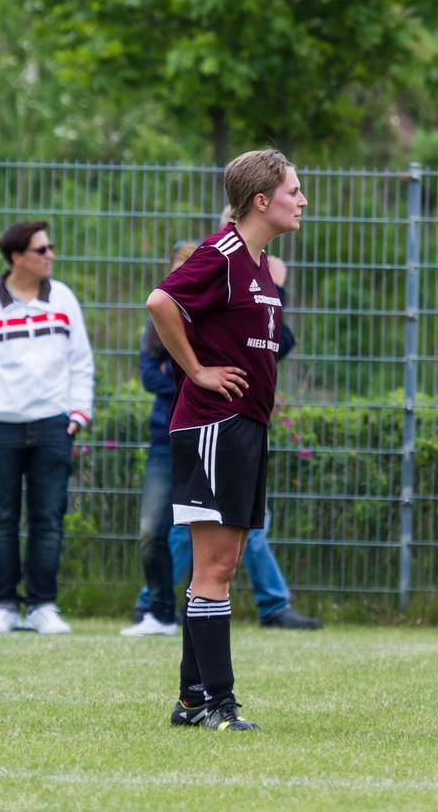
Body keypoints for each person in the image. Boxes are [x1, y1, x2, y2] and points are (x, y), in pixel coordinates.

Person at [145, 147, 306, 731]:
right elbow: (162, 302)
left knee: (224, 561)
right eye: (294, 191)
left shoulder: (259, 262)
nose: (302, 201)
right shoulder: (225, 250)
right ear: (262, 200)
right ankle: (218, 703)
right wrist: (197, 370)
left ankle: (192, 699)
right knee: (212, 566)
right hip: (214, 424)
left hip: (246, 426)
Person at [123, 245, 321, 636]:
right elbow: (152, 369)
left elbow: (274, 342)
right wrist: (196, 373)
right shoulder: (173, 319)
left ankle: (265, 605)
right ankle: (156, 606)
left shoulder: (229, 295)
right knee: (177, 530)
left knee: (241, 532)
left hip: (236, 426)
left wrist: (275, 291)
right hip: (188, 431)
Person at [0, 220, 94, 635]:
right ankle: (5, 605)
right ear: (17, 258)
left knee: (49, 517)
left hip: (52, 427)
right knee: (1, 518)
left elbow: (80, 362)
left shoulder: (63, 298)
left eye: (50, 248)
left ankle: (43, 605)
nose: (50, 256)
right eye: (41, 250)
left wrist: (77, 414)